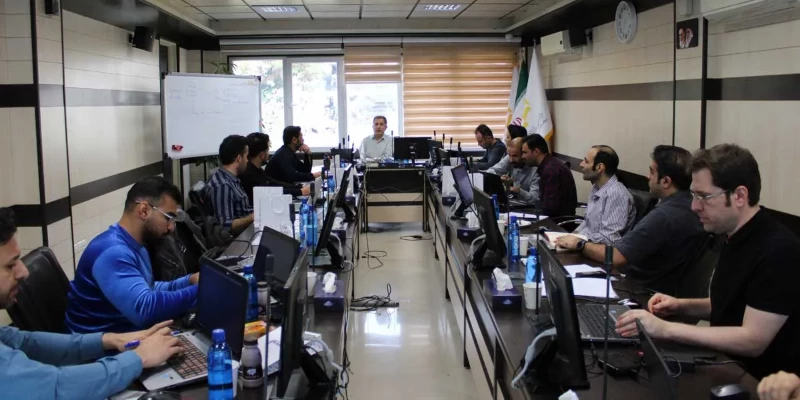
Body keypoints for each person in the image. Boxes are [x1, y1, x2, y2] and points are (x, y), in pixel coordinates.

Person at [615, 144, 800, 380]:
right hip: (727, 365)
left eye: (704, 196)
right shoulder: (733, 235)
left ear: (739, 196)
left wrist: (665, 329)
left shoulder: (779, 250)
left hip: (758, 382)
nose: (694, 206)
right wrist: (681, 305)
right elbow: (732, 303)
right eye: (694, 195)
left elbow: (753, 339)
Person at [0, 208, 183, 399]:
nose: (23, 272)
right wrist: (138, 358)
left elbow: (25, 342)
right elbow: (57, 388)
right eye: (10, 265)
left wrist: (111, 340)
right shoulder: (112, 251)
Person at [555, 145, 706, 295]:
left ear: (666, 181)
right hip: (656, 287)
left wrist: (580, 244)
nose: (648, 177)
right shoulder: (688, 204)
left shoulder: (665, 215)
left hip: (638, 290)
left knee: (563, 288)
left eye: (651, 172)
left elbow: (615, 256)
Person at [65, 177, 199, 334]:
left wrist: (188, 281)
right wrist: (202, 290)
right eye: (168, 218)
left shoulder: (136, 244)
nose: (171, 227)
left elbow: (147, 288)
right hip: (104, 346)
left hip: (126, 335)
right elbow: (145, 310)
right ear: (144, 210)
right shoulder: (113, 252)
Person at [558, 145, 635, 246]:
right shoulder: (596, 187)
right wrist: (571, 236)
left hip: (598, 251)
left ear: (599, 168)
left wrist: (577, 241)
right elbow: (588, 224)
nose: (581, 164)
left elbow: (609, 239)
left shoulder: (617, 194)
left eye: (586, 161)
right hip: (585, 245)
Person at [239, 132, 311, 201]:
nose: (268, 153)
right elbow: (270, 192)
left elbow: (274, 183)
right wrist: (300, 191)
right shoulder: (249, 174)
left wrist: (299, 187)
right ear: (262, 155)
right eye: (267, 150)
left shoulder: (257, 170)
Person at [205, 135, 254, 234]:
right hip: (240, 239)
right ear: (239, 158)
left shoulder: (231, 179)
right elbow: (225, 226)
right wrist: (252, 217)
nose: (247, 160)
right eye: (246, 156)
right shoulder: (223, 185)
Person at [520, 134, 577, 217]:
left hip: (557, 221)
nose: (522, 156)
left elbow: (550, 208)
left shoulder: (550, 170)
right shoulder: (550, 164)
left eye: (525, 152)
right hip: (554, 217)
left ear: (536, 152)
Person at [485, 137, 539, 205]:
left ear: (523, 153)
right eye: (509, 155)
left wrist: (518, 191)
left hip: (529, 207)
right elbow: (490, 171)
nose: (511, 160)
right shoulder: (511, 156)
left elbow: (535, 199)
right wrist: (498, 179)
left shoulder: (535, 169)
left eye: (515, 156)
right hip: (514, 202)